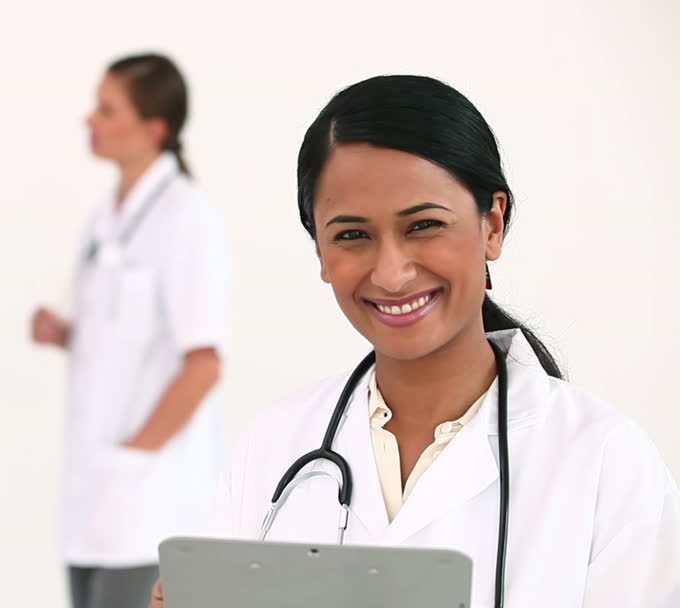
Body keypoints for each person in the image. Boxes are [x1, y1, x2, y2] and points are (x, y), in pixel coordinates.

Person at [150, 75, 680, 608]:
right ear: (320, 252)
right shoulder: (273, 445)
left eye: (424, 225)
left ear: (493, 224)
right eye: (352, 235)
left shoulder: (606, 462)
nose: (391, 274)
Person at [31, 53, 230, 608]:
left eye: (106, 109)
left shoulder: (187, 216)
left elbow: (204, 363)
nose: (89, 119)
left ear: (153, 129)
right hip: (92, 496)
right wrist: (64, 333)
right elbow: (121, 340)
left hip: (148, 500)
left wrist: (134, 459)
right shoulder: (105, 218)